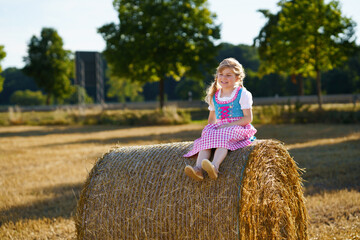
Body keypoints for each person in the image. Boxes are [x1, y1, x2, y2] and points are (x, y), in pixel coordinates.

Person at [183, 58, 257, 181]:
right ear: (217, 76)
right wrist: (211, 131)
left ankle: (214, 167)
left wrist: (226, 126)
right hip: (222, 127)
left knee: (224, 135)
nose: (224, 78)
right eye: (221, 75)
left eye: (229, 75)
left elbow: (248, 118)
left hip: (239, 127)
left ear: (237, 78)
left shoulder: (242, 94)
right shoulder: (215, 96)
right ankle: (198, 169)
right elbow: (212, 119)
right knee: (207, 135)